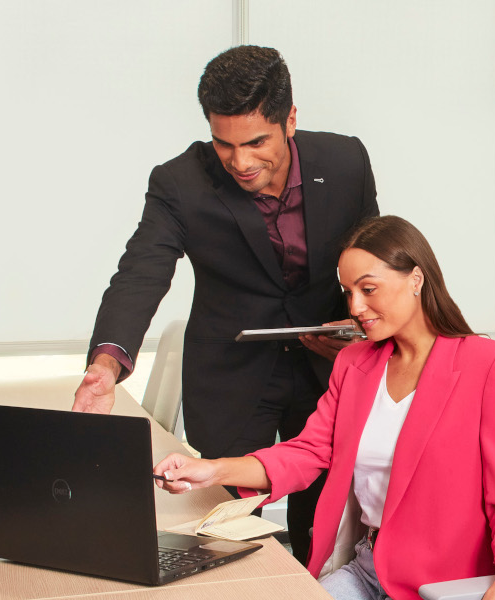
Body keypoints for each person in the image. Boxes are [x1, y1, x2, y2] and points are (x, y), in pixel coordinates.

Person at [70, 45, 379, 564]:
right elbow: (141, 272)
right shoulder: (180, 183)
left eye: (256, 141)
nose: (240, 161)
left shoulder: (345, 161)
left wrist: (356, 326)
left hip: (327, 370)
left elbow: (374, 261)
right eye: (224, 143)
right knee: (222, 532)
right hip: (232, 378)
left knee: (324, 525)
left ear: (291, 120)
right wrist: (105, 364)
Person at [152, 216, 495, 600]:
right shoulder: (356, 364)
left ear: (416, 279)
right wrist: (211, 470)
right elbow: (308, 452)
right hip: (370, 568)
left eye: (368, 289)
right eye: (348, 291)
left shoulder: (489, 364)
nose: (355, 306)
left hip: (447, 584)